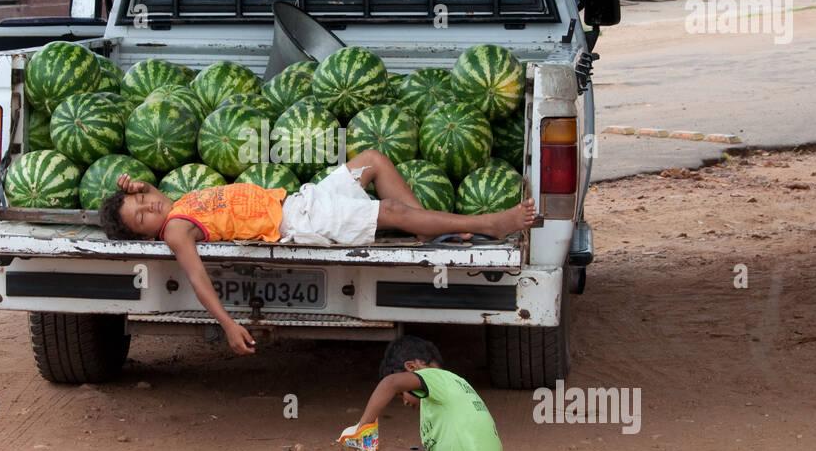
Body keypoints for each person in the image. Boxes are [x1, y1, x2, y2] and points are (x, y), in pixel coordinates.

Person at [98, 149, 536, 355]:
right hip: (302, 223)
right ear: (146, 235)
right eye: (140, 214)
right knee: (391, 211)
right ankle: (486, 224)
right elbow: (196, 277)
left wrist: (135, 188)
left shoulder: (171, 206)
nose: (148, 205)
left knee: (373, 161)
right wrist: (229, 325)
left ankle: (426, 232)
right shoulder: (175, 230)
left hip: (300, 201)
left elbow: (156, 197)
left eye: (144, 199)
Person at [290, 336, 501, 451]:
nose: (405, 403)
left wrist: (363, 427)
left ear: (412, 367)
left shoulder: (438, 377)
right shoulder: (444, 397)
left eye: (402, 396)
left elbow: (390, 383)